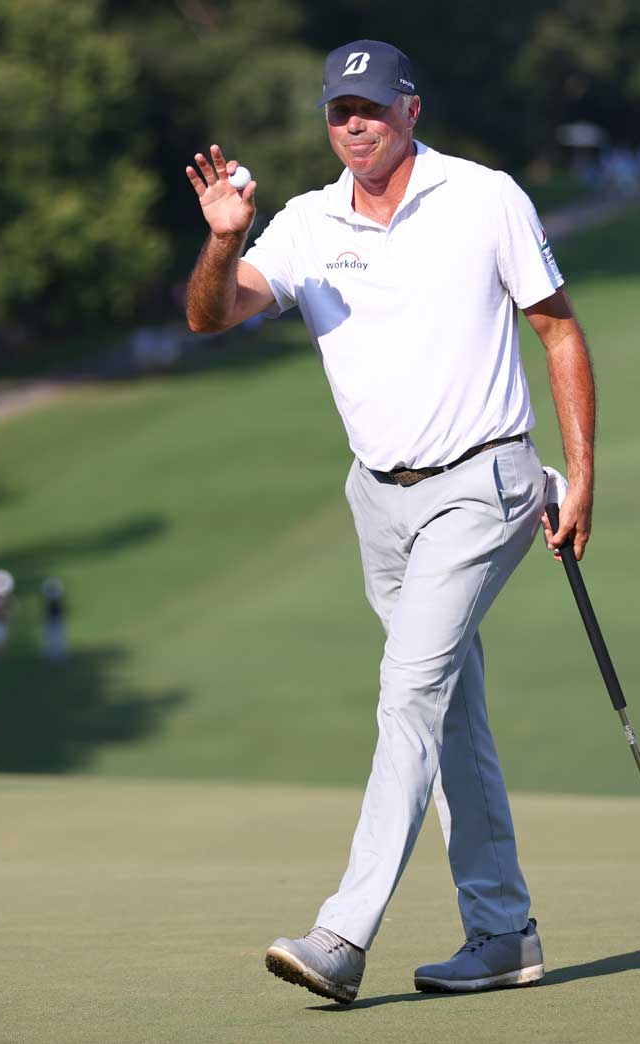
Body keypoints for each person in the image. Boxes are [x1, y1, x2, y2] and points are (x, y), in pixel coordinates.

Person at [182, 40, 597, 1004]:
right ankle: (503, 933)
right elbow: (212, 315)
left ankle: (343, 934)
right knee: (447, 707)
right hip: (379, 500)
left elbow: (558, 328)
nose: (354, 124)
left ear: (411, 109)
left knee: (408, 690)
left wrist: (578, 477)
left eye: (370, 106)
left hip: (485, 482)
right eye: (339, 111)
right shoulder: (305, 221)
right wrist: (221, 239)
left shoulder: (483, 197)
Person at [40, 577, 68, 661]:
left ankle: (57, 655)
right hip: (52, 619)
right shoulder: (51, 600)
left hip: (56, 619)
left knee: (57, 638)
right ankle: (53, 655)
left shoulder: (56, 600)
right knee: (52, 638)